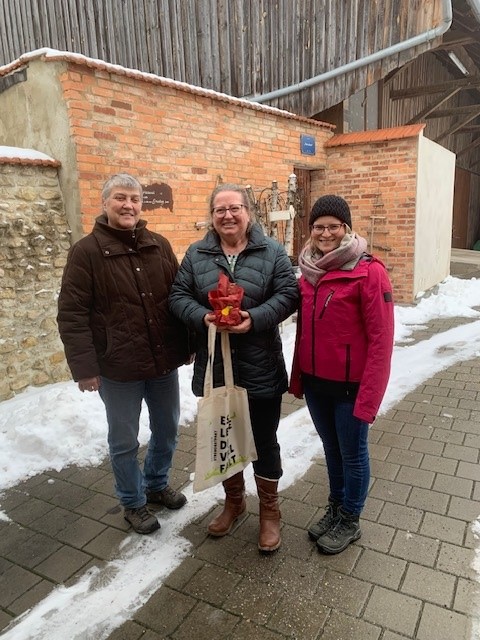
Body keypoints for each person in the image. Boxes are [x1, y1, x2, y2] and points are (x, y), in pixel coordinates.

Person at [57, 173, 190, 535]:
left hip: (161, 363)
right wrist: (85, 368)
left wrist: (186, 344)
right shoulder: (86, 252)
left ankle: (157, 484)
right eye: (120, 198)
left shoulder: (159, 245)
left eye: (134, 199)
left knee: (167, 430)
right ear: (105, 203)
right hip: (117, 368)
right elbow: (72, 314)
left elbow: (177, 298)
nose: (128, 205)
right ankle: (133, 502)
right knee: (124, 441)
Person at [169, 183, 298, 553]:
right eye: (219, 209)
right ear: (212, 216)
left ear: (248, 212)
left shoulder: (271, 251)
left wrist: (254, 318)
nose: (227, 215)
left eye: (234, 208)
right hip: (217, 367)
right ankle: (235, 502)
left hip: (261, 366)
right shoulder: (197, 254)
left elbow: (289, 294)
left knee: (264, 441)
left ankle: (269, 512)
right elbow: (177, 296)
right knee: (225, 440)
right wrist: (203, 316)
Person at [290, 194, 394, 554]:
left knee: (353, 453)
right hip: (317, 384)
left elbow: (382, 340)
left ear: (346, 228)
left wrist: (370, 398)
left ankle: (350, 519)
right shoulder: (309, 272)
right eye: (319, 227)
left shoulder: (369, 272)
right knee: (331, 449)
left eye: (333, 226)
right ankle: (335, 508)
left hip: (352, 387)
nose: (326, 233)